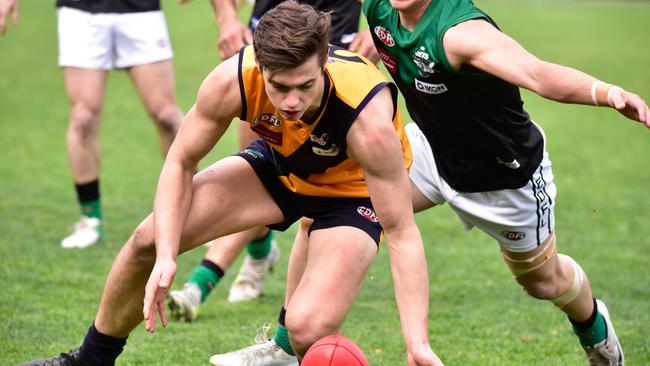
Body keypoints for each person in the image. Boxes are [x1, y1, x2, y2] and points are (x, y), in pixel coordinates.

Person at [212, 0, 649, 364]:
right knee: (325, 203)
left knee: (543, 282)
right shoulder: (380, 10)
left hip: (502, 178)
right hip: (426, 152)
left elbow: (536, 74)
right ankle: (287, 350)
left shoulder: (461, 33)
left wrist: (606, 93)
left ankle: (593, 326)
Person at [18, 2, 441, 365]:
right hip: (281, 166)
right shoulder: (232, 79)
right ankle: (90, 359)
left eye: (305, 86)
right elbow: (180, 161)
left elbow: (403, 234)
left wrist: (416, 342)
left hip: (350, 194)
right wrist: (167, 255)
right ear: (260, 64)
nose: (292, 102)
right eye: (280, 87)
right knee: (148, 239)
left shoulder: (367, 118)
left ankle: (283, 349)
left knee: (307, 327)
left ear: (324, 61)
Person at [167, 0, 382, 318]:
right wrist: (226, 16)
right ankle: (259, 254)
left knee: (316, 191)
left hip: (332, 48)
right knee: (261, 172)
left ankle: (202, 281)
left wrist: (381, 29)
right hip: (268, 45)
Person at [0, 0, 185, 249]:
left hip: (140, 10)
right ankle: (90, 219)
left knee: (165, 114)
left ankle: (193, 209)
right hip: (80, 10)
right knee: (83, 117)